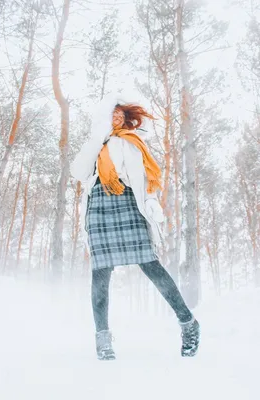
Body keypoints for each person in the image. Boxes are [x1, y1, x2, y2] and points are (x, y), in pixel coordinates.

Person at [70, 92, 200, 361]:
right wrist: (97, 139)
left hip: (129, 202)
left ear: (128, 119)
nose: (115, 119)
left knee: (151, 265)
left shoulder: (132, 142)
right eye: (111, 115)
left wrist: (152, 203)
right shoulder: (95, 143)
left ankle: (188, 324)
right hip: (99, 208)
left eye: (120, 115)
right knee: (100, 272)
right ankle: (103, 340)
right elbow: (79, 172)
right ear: (104, 118)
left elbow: (146, 179)